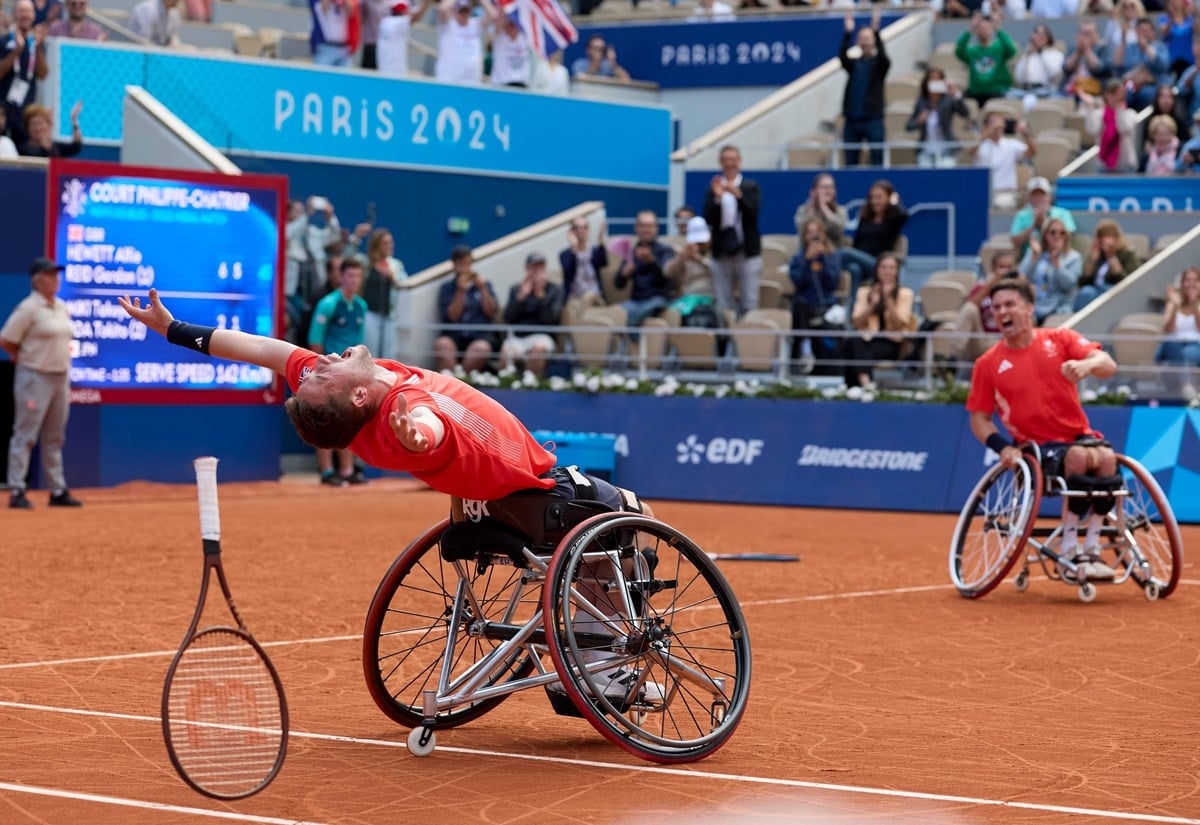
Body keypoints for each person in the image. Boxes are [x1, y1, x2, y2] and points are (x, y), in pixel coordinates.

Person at [966, 277, 1120, 579]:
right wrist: (1003, 447)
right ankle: (1068, 549)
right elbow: (979, 419)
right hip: (1035, 448)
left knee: (1107, 460)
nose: (1002, 312)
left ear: (1028, 309)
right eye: (996, 307)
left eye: (1010, 305)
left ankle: (1090, 547)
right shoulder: (988, 364)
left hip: (1080, 436)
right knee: (1077, 457)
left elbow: (1107, 363)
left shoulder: (1060, 339)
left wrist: (1087, 366)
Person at [2, 257, 82, 509]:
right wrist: (27, 359)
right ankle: (17, 489)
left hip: (60, 377)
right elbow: (7, 339)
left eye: (56, 274)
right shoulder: (28, 308)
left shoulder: (61, 307)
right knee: (25, 433)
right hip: (35, 376)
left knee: (54, 436)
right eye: (50, 275)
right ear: (38, 280)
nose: (55, 279)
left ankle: (57, 490)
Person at [308, 257, 370, 486]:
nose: (353, 280)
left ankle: (347, 470)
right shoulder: (328, 303)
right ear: (341, 277)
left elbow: (359, 341)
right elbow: (316, 339)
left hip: (351, 372)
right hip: (329, 370)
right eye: (349, 276)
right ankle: (326, 471)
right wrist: (321, 371)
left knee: (350, 419)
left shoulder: (361, 306)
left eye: (357, 276)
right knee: (324, 419)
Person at [703, 144, 762, 318]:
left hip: (747, 252)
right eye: (726, 160)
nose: (730, 164)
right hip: (722, 252)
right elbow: (708, 219)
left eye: (733, 159)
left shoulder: (750, 187)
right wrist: (717, 198)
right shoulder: (713, 190)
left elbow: (753, 214)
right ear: (720, 163)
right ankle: (724, 342)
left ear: (739, 162)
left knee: (749, 302)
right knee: (723, 304)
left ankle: (748, 342)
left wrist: (739, 195)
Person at [843, 252, 915, 389]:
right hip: (867, 339)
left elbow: (899, 325)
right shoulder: (864, 292)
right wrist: (872, 305)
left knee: (855, 350)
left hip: (891, 341)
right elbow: (856, 322)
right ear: (877, 270)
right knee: (853, 342)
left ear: (897, 271)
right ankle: (865, 382)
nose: (887, 271)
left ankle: (854, 387)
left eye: (891, 268)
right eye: (883, 267)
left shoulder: (906, 294)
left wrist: (888, 300)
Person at [788, 219, 842, 372]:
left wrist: (822, 259)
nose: (813, 236)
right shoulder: (799, 258)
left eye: (817, 233)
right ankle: (806, 350)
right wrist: (807, 261)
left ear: (823, 235)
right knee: (800, 305)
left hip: (826, 303)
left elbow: (832, 282)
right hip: (805, 304)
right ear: (805, 236)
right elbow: (798, 282)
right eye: (809, 233)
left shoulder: (832, 256)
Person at [840, 179, 907, 301]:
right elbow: (857, 242)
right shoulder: (865, 218)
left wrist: (895, 201)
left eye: (879, 197)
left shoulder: (893, 220)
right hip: (863, 264)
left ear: (888, 198)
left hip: (879, 264)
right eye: (873, 197)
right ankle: (852, 311)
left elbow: (904, 215)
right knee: (854, 269)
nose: (875, 201)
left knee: (844, 252)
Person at [435, 244, 499, 371]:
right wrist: (461, 291)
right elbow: (452, 316)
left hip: (480, 333)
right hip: (455, 334)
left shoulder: (484, 285)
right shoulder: (447, 288)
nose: (464, 266)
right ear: (454, 264)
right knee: (442, 344)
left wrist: (483, 289)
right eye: (460, 263)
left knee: (481, 348)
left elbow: (492, 312)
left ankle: (464, 381)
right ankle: (451, 382)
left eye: (467, 262)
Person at [838, 8, 888, 168]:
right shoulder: (853, 64)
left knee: (877, 158)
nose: (865, 41)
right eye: (862, 38)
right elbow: (842, 57)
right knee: (850, 161)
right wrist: (848, 32)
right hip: (852, 120)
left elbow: (883, 58)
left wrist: (876, 31)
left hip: (873, 119)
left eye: (868, 38)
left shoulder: (879, 65)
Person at [500, 252, 562, 377]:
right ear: (527, 269)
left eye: (540, 267)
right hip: (518, 337)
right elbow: (508, 318)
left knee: (538, 349)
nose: (537, 271)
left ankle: (531, 383)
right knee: (505, 351)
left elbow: (551, 320)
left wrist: (540, 296)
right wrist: (521, 297)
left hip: (543, 336)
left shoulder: (554, 290)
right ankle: (507, 386)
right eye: (534, 267)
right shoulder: (516, 289)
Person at [953, 250, 1019, 365]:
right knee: (969, 308)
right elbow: (970, 306)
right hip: (983, 340)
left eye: (1009, 268)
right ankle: (952, 360)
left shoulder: (1020, 289)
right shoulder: (982, 287)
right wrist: (990, 285)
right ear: (993, 269)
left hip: (1009, 341)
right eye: (1001, 267)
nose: (1005, 272)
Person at [1, 0, 50, 146]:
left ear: (34, 15)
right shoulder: (3, 41)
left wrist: (39, 48)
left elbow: (43, 74)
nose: (25, 15)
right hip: (3, 109)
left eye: (28, 11)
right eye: (21, 11)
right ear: (15, 14)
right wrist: (16, 52)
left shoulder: (37, 43)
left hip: (26, 111)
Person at [1017, 216, 1081, 323]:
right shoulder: (1034, 253)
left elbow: (1069, 285)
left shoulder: (1073, 257)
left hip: (1059, 309)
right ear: (1045, 235)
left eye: (1062, 233)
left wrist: (1057, 266)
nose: (1057, 236)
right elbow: (1020, 278)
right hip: (1034, 307)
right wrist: (1034, 259)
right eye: (1053, 232)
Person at [970, 111, 1036, 211]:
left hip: (1006, 193)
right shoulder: (981, 145)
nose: (998, 126)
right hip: (983, 193)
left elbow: (1031, 153)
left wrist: (1025, 134)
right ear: (986, 126)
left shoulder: (1011, 144)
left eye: (1000, 122)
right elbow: (971, 152)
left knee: (999, 204)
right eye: (993, 122)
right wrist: (986, 134)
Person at [906, 67, 969, 169]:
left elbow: (965, 113)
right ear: (926, 82)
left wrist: (956, 94)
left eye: (937, 80)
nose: (934, 82)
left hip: (947, 149)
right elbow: (908, 126)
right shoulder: (921, 101)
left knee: (945, 172)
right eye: (931, 79)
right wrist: (919, 121)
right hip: (926, 150)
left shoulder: (948, 100)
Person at [1074, 220, 1143, 311]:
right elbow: (1083, 283)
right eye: (1101, 237)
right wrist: (1092, 260)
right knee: (1086, 292)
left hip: (1117, 294)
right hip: (1094, 294)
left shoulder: (1127, 254)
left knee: (1104, 289)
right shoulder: (1098, 255)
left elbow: (1127, 282)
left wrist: (1111, 257)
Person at [359, 228, 406, 360]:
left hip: (389, 314)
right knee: (370, 349)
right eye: (386, 243)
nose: (390, 246)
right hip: (369, 313)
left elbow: (403, 284)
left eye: (391, 242)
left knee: (388, 352)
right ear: (377, 245)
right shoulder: (366, 263)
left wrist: (393, 278)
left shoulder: (396, 265)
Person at [1155, 266, 1200, 400]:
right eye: (1187, 280)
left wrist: (1194, 305)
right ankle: (1186, 385)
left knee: (1175, 362)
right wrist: (1175, 306)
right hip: (1174, 345)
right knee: (1170, 342)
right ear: (1182, 284)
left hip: (1195, 344)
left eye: (1195, 280)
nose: (1191, 284)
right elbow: (1169, 329)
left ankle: (1180, 388)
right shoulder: (1172, 304)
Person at [955, 12, 1018, 108]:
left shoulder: (999, 47)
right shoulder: (971, 50)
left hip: (997, 91)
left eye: (987, 27)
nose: (983, 30)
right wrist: (970, 29)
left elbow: (1012, 50)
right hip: (975, 92)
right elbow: (959, 50)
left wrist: (998, 30)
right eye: (980, 28)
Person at [1009, 176, 1076, 259]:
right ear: (1029, 198)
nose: (1038, 198)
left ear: (1049, 196)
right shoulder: (1021, 215)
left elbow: (1069, 236)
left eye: (1042, 195)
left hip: (1059, 255)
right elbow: (1015, 241)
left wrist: (1044, 223)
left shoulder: (1063, 213)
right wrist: (1034, 225)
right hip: (1030, 256)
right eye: (1034, 195)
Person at [559, 216, 608, 327]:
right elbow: (569, 271)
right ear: (571, 232)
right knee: (575, 308)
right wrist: (574, 249)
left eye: (584, 227)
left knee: (590, 298)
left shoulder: (595, 251)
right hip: (575, 298)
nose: (581, 230)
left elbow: (603, 263)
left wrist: (601, 242)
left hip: (595, 297)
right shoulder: (565, 255)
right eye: (577, 228)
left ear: (589, 230)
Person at [1082, 79, 1139, 172]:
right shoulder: (1099, 113)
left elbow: (1124, 129)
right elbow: (1092, 130)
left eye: (1118, 93)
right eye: (1113, 93)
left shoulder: (1130, 113)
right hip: (1103, 166)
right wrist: (1090, 107)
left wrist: (1119, 109)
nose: (1115, 96)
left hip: (1126, 167)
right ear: (1106, 95)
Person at [436, 0, 496, 84]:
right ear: (455, 11)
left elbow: (493, 15)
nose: (464, 14)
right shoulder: (448, 25)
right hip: (449, 78)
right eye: (461, 11)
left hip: (472, 80)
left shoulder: (475, 24)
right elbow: (443, 9)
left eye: (466, 11)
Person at [793, 173, 848, 251]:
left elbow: (839, 229)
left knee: (848, 255)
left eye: (831, 187)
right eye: (824, 187)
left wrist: (824, 208)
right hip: (808, 253)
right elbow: (802, 230)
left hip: (834, 253)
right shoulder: (803, 210)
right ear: (814, 191)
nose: (828, 191)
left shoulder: (841, 210)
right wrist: (812, 207)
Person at [1061, 20, 1113, 100]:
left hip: (1094, 91)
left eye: (1089, 34)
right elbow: (1066, 68)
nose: (1085, 37)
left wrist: (1087, 50)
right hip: (1070, 90)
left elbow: (1100, 69)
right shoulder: (1072, 49)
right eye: (1083, 33)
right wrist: (1078, 52)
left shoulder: (1103, 49)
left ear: (1096, 35)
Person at [1012, 23, 1065, 99]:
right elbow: (1018, 77)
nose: (1038, 37)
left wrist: (1041, 54)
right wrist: (1027, 58)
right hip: (1025, 91)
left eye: (1041, 34)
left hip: (1044, 91)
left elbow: (1055, 75)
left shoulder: (1056, 55)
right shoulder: (1027, 55)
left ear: (1048, 37)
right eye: (1036, 33)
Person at [377, 0, 430, 77]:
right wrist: (427, 3)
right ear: (403, 11)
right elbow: (415, 18)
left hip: (385, 72)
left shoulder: (385, 22)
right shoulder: (396, 23)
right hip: (394, 74)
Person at [17, 101, 82, 158]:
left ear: (49, 125)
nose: (38, 128)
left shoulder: (56, 147)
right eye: (33, 124)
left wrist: (74, 119)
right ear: (27, 128)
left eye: (40, 123)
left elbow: (76, 147)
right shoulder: (22, 150)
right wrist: (45, 148)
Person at [489, 15, 531, 87]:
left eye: (515, 25)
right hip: (502, 84)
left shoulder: (525, 38)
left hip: (521, 85)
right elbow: (497, 19)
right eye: (510, 24)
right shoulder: (500, 37)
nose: (513, 27)